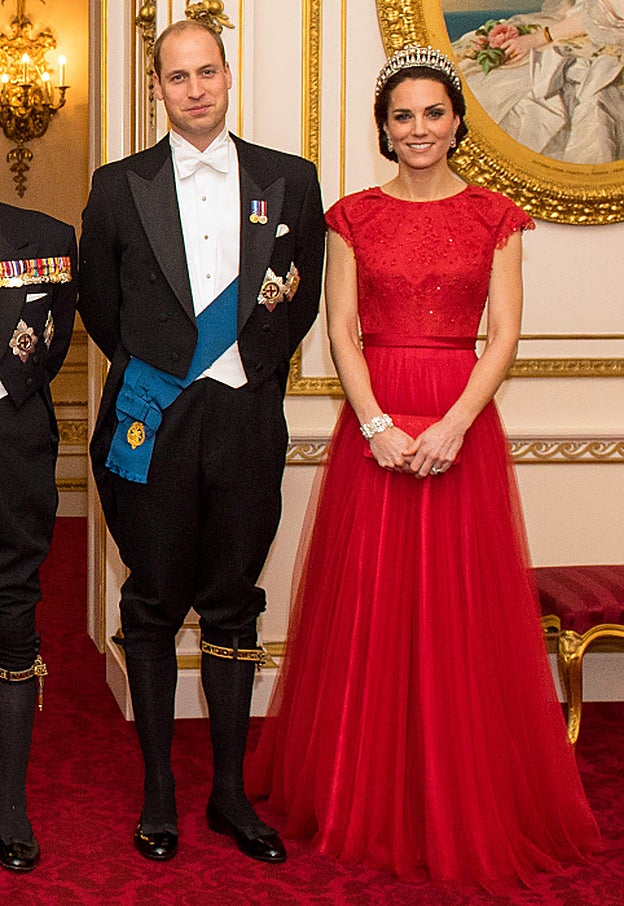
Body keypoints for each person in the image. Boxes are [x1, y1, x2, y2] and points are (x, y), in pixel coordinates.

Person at [246, 45, 601, 889]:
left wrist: (452, 427)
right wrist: (373, 422)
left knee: (457, 613)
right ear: (384, 127)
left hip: (459, 420)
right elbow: (339, 330)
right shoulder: (351, 217)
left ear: (455, 123)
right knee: (371, 608)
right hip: (377, 420)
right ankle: (362, 789)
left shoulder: (495, 216)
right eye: (402, 115)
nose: (418, 129)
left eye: (432, 113)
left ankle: (457, 791)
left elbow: (504, 337)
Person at [78, 19, 325, 864]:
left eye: (207, 71)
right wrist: (169, 371)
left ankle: (227, 794)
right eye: (178, 76)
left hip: (247, 418)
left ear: (229, 75)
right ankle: (157, 794)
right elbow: (101, 309)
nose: (196, 89)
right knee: (151, 600)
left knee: (232, 600)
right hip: (154, 417)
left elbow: (302, 303)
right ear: (159, 88)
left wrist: (242, 374)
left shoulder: (290, 181)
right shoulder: (117, 186)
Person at [0, 203, 77, 872]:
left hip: (12, 456)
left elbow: (48, 349)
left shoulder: (46, 239)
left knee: (13, 619)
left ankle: (9, 808)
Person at [452, 0, 624, 163]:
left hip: (606, 37)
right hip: (571, 24)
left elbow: (607, 13)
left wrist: (535, 39)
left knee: (508, 95)